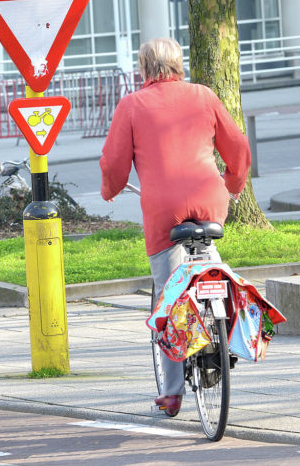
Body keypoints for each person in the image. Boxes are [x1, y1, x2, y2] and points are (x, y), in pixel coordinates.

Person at [99, 38, 250, 418]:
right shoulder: (204, 95)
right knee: (212, 267)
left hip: (164, 211)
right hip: (209, 197)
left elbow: (114, 163)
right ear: (178, 64)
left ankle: (172, 391)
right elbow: (238, 146)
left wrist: (110, 190)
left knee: (169, 297)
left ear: (144, 69)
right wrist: (232, 183)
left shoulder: (132, 105)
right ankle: (227, 330)